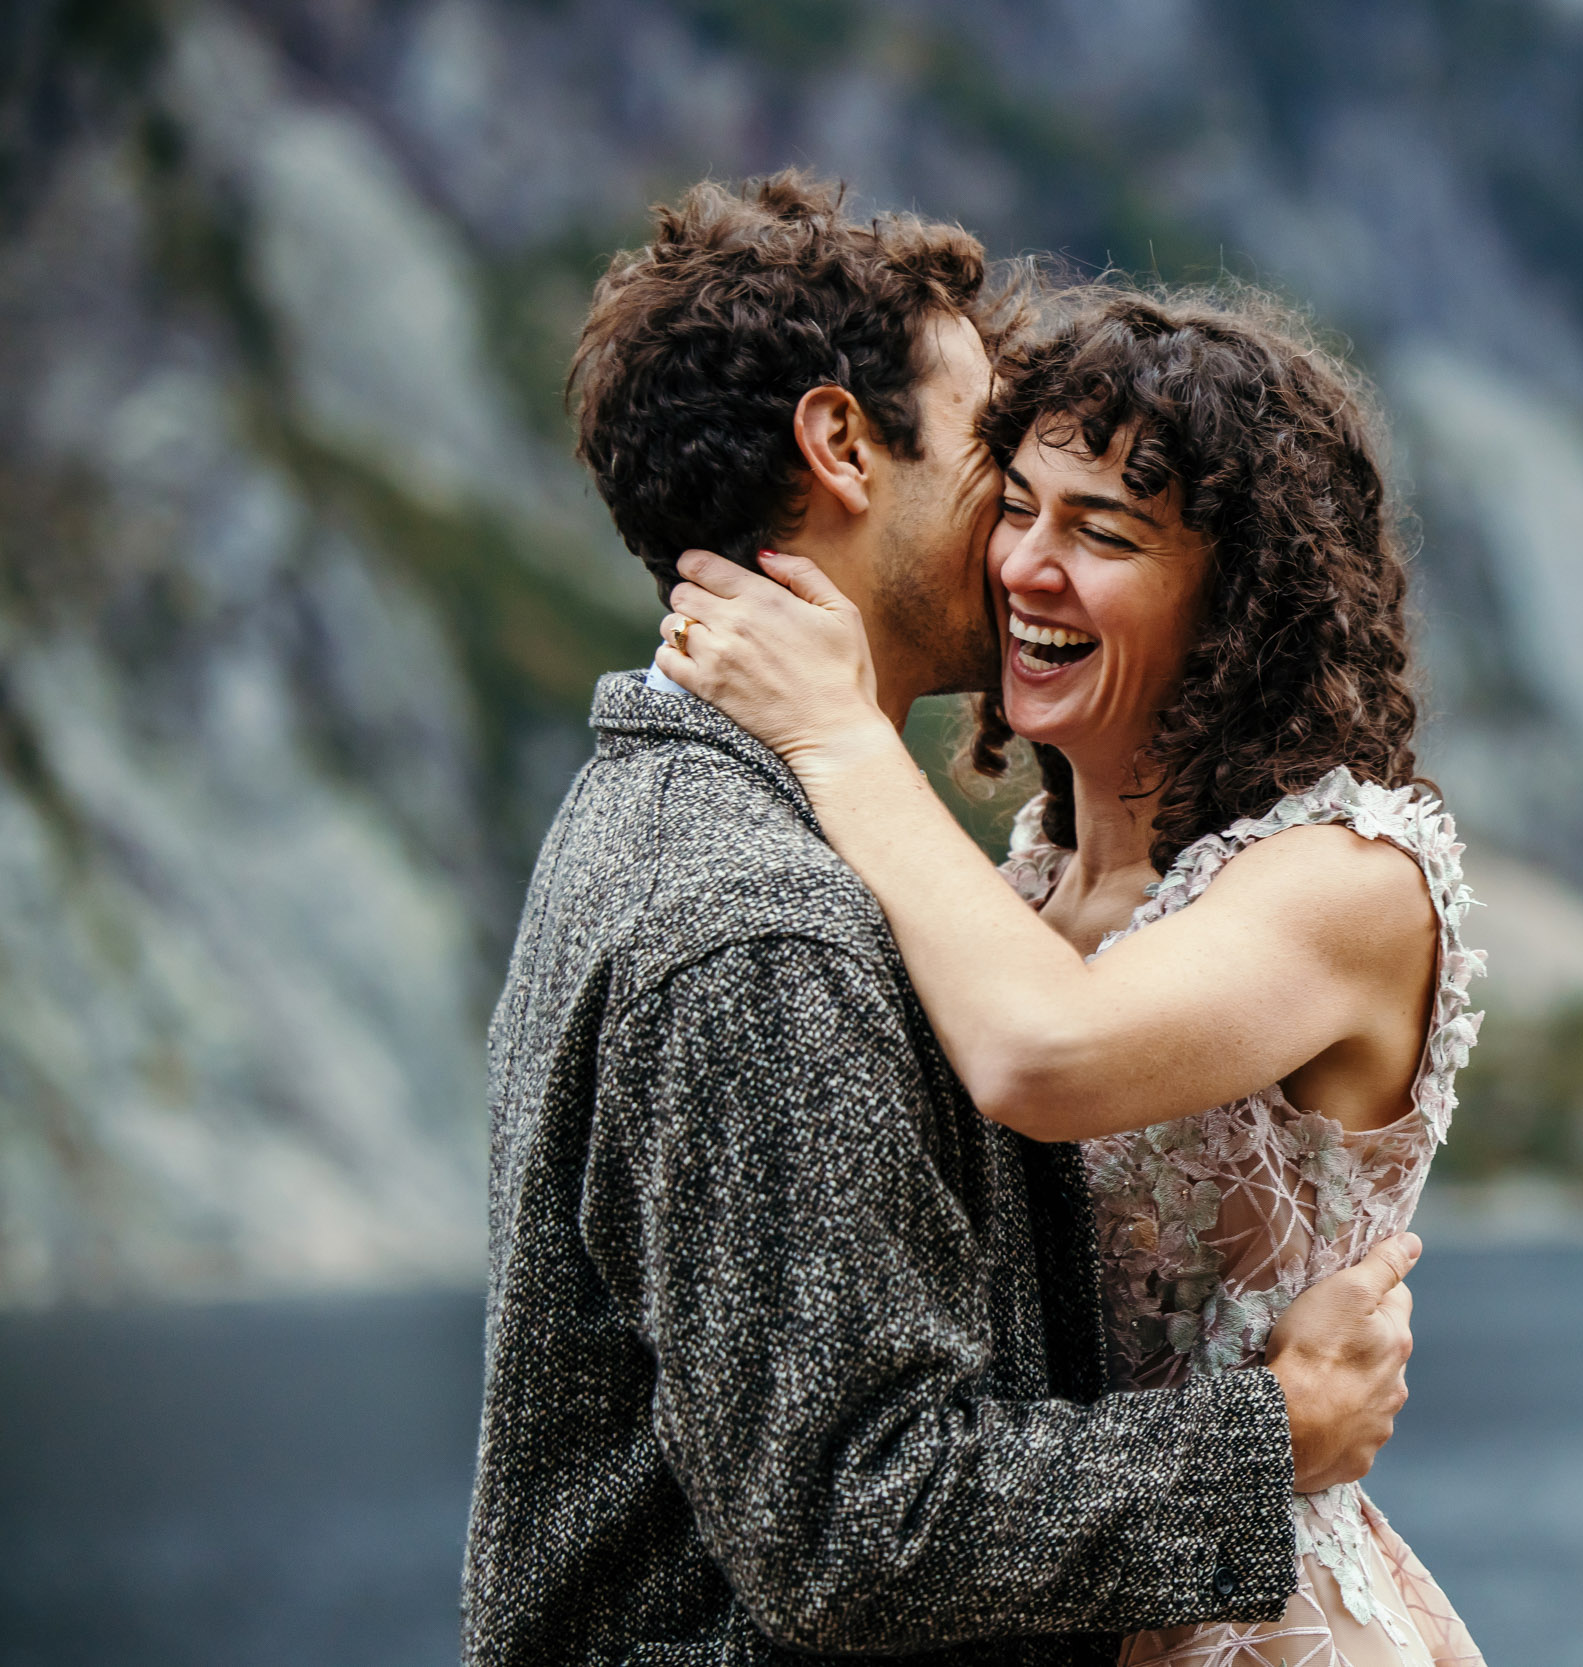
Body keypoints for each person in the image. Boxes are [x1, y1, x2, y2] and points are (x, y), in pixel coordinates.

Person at [464, 174, 1423, 1667]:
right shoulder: (762, 924)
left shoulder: (676, 820)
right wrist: (1268, 1439)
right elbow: (856, 1525)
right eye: (995, 454)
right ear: (844, 444)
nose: (1016, 548)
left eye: (1096, 524)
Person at [661, 285, 1487, 1666]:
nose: (1027, 570)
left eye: (1102, 534)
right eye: (1018, 508)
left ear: (1240, 605)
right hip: (1058, 1610)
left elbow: (1044, 1058)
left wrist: (836, 730)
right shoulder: (1021, 885)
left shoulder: (1355, 877)